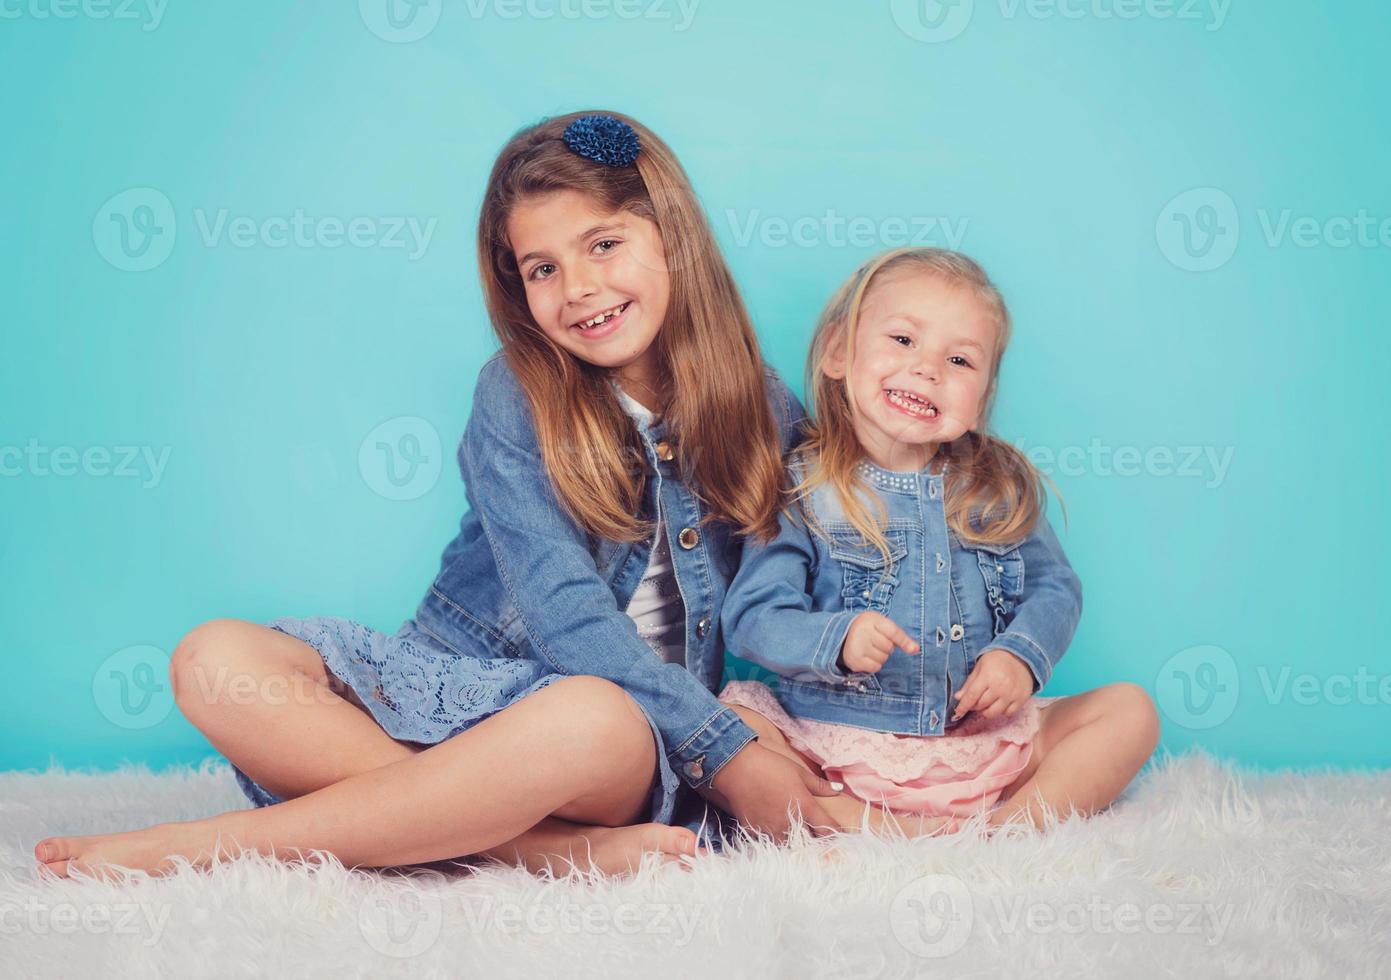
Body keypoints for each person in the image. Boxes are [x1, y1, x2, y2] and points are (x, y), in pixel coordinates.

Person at [34, 111, 845, 881]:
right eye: (543, 269)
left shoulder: (763, 410)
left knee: (587, 713)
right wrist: (729, 753)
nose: (579, 288)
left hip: (617, 736)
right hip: (459, 684)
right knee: (213, 661)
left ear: (674, 237)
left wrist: (738, 739)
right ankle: (534, 848)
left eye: (604, 244)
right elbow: (561, 607)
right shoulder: (518, 393)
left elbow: (816, 573)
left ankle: (215, 844)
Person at [718, 246, 1160, 836]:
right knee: (728, 729)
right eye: (902, 340)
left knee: (1131, 712)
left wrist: (1020, 657)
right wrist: (836, 638)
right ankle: (864, 820)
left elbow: (1055, 587)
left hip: (978, 741)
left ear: (980, 400)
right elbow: (753, 616)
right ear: (837, 353)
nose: (927, 369)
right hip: (831, 742)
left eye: (959, 359)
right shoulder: (800, 488)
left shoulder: (995, 486)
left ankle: (1007, 826)